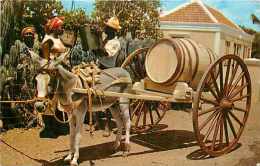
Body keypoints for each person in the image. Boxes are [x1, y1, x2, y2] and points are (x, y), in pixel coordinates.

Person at [39, 16, 69, 138]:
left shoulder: (57, 39)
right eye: (60, 27)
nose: (61, 29)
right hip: (51, 72)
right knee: (50, 100)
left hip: (60, 72)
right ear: (55, 28)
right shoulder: (48, 39)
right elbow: (48, 56)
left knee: (59, 101)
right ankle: (49, 128)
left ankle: (58, 126)